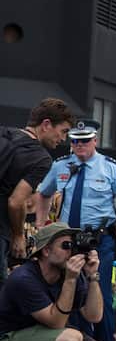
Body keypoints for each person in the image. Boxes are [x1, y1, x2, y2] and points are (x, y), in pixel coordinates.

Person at [34, 119, 116, 341]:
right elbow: (43, 194)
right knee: (70, 297)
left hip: (100, 241)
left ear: (95, 140)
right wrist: (41, 228)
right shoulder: (61, 165)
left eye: (85, 140)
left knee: (103, 299)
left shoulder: (110, 168)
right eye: (74, 140)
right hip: (67, 240)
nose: (79, 145)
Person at [0, 223, 105, 341]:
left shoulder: (70, 275)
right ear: (46, 251)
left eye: (73, 245)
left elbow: (93, 316)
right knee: (71, 339)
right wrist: (71, 280)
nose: (71, 251)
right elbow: (56, 323)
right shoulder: (24, 278)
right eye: (66, 246)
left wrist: (92, 276)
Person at [2, 98, 73, 274]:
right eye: (63, 131)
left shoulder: (3, 134)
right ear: (46, 124)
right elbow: (16, 202)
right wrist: (18, 236)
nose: (63, 139)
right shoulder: (41, 158)